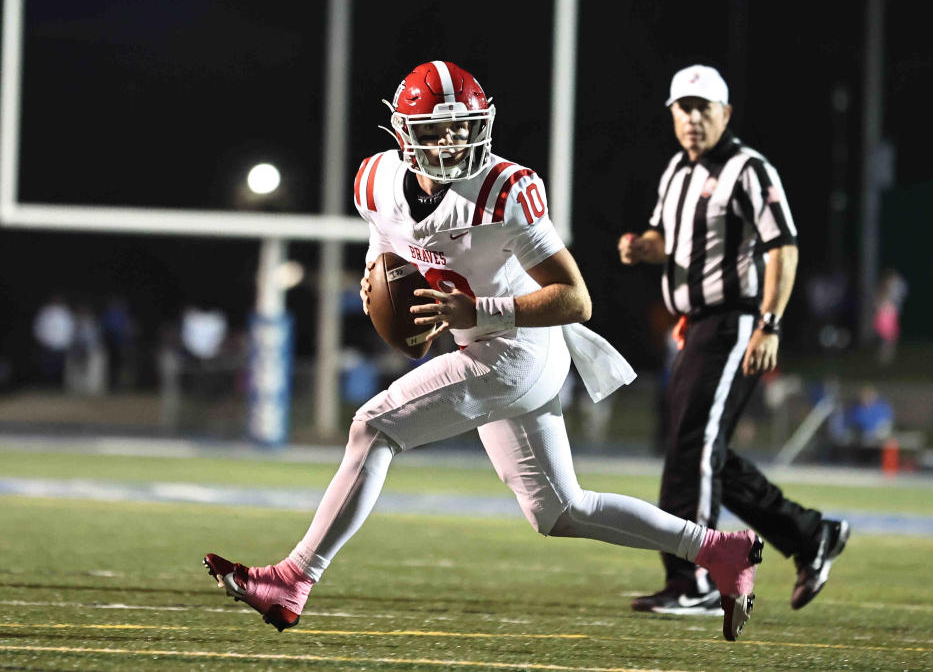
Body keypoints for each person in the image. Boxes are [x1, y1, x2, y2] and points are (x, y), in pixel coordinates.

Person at [205, 61, 763, 641]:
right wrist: (384, 287)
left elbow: (576, 298)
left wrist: (481, 312)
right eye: (436, 131)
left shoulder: (504, 189)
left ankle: (294, 578)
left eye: (464, 127)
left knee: (374, 426)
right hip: (489, 346)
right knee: (560, 511)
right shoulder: (374, 181)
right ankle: (720, 551)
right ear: (402, 134)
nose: (453, 142)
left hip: (518, 349)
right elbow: (387, 244)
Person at [618, 64, 849, 615]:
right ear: (672, 114)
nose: (693, 118)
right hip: (693, 327)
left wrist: (770, 322)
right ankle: (810, 534)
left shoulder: (749, 170)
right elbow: (666, 238)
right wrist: (643, 248)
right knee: (700, 452)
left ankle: (695, 579)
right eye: (683, 107)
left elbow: (783, 247)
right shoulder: (676, 170)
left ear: (725, 114)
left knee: (692, 452)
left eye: (703, 108)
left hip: (733, 322)